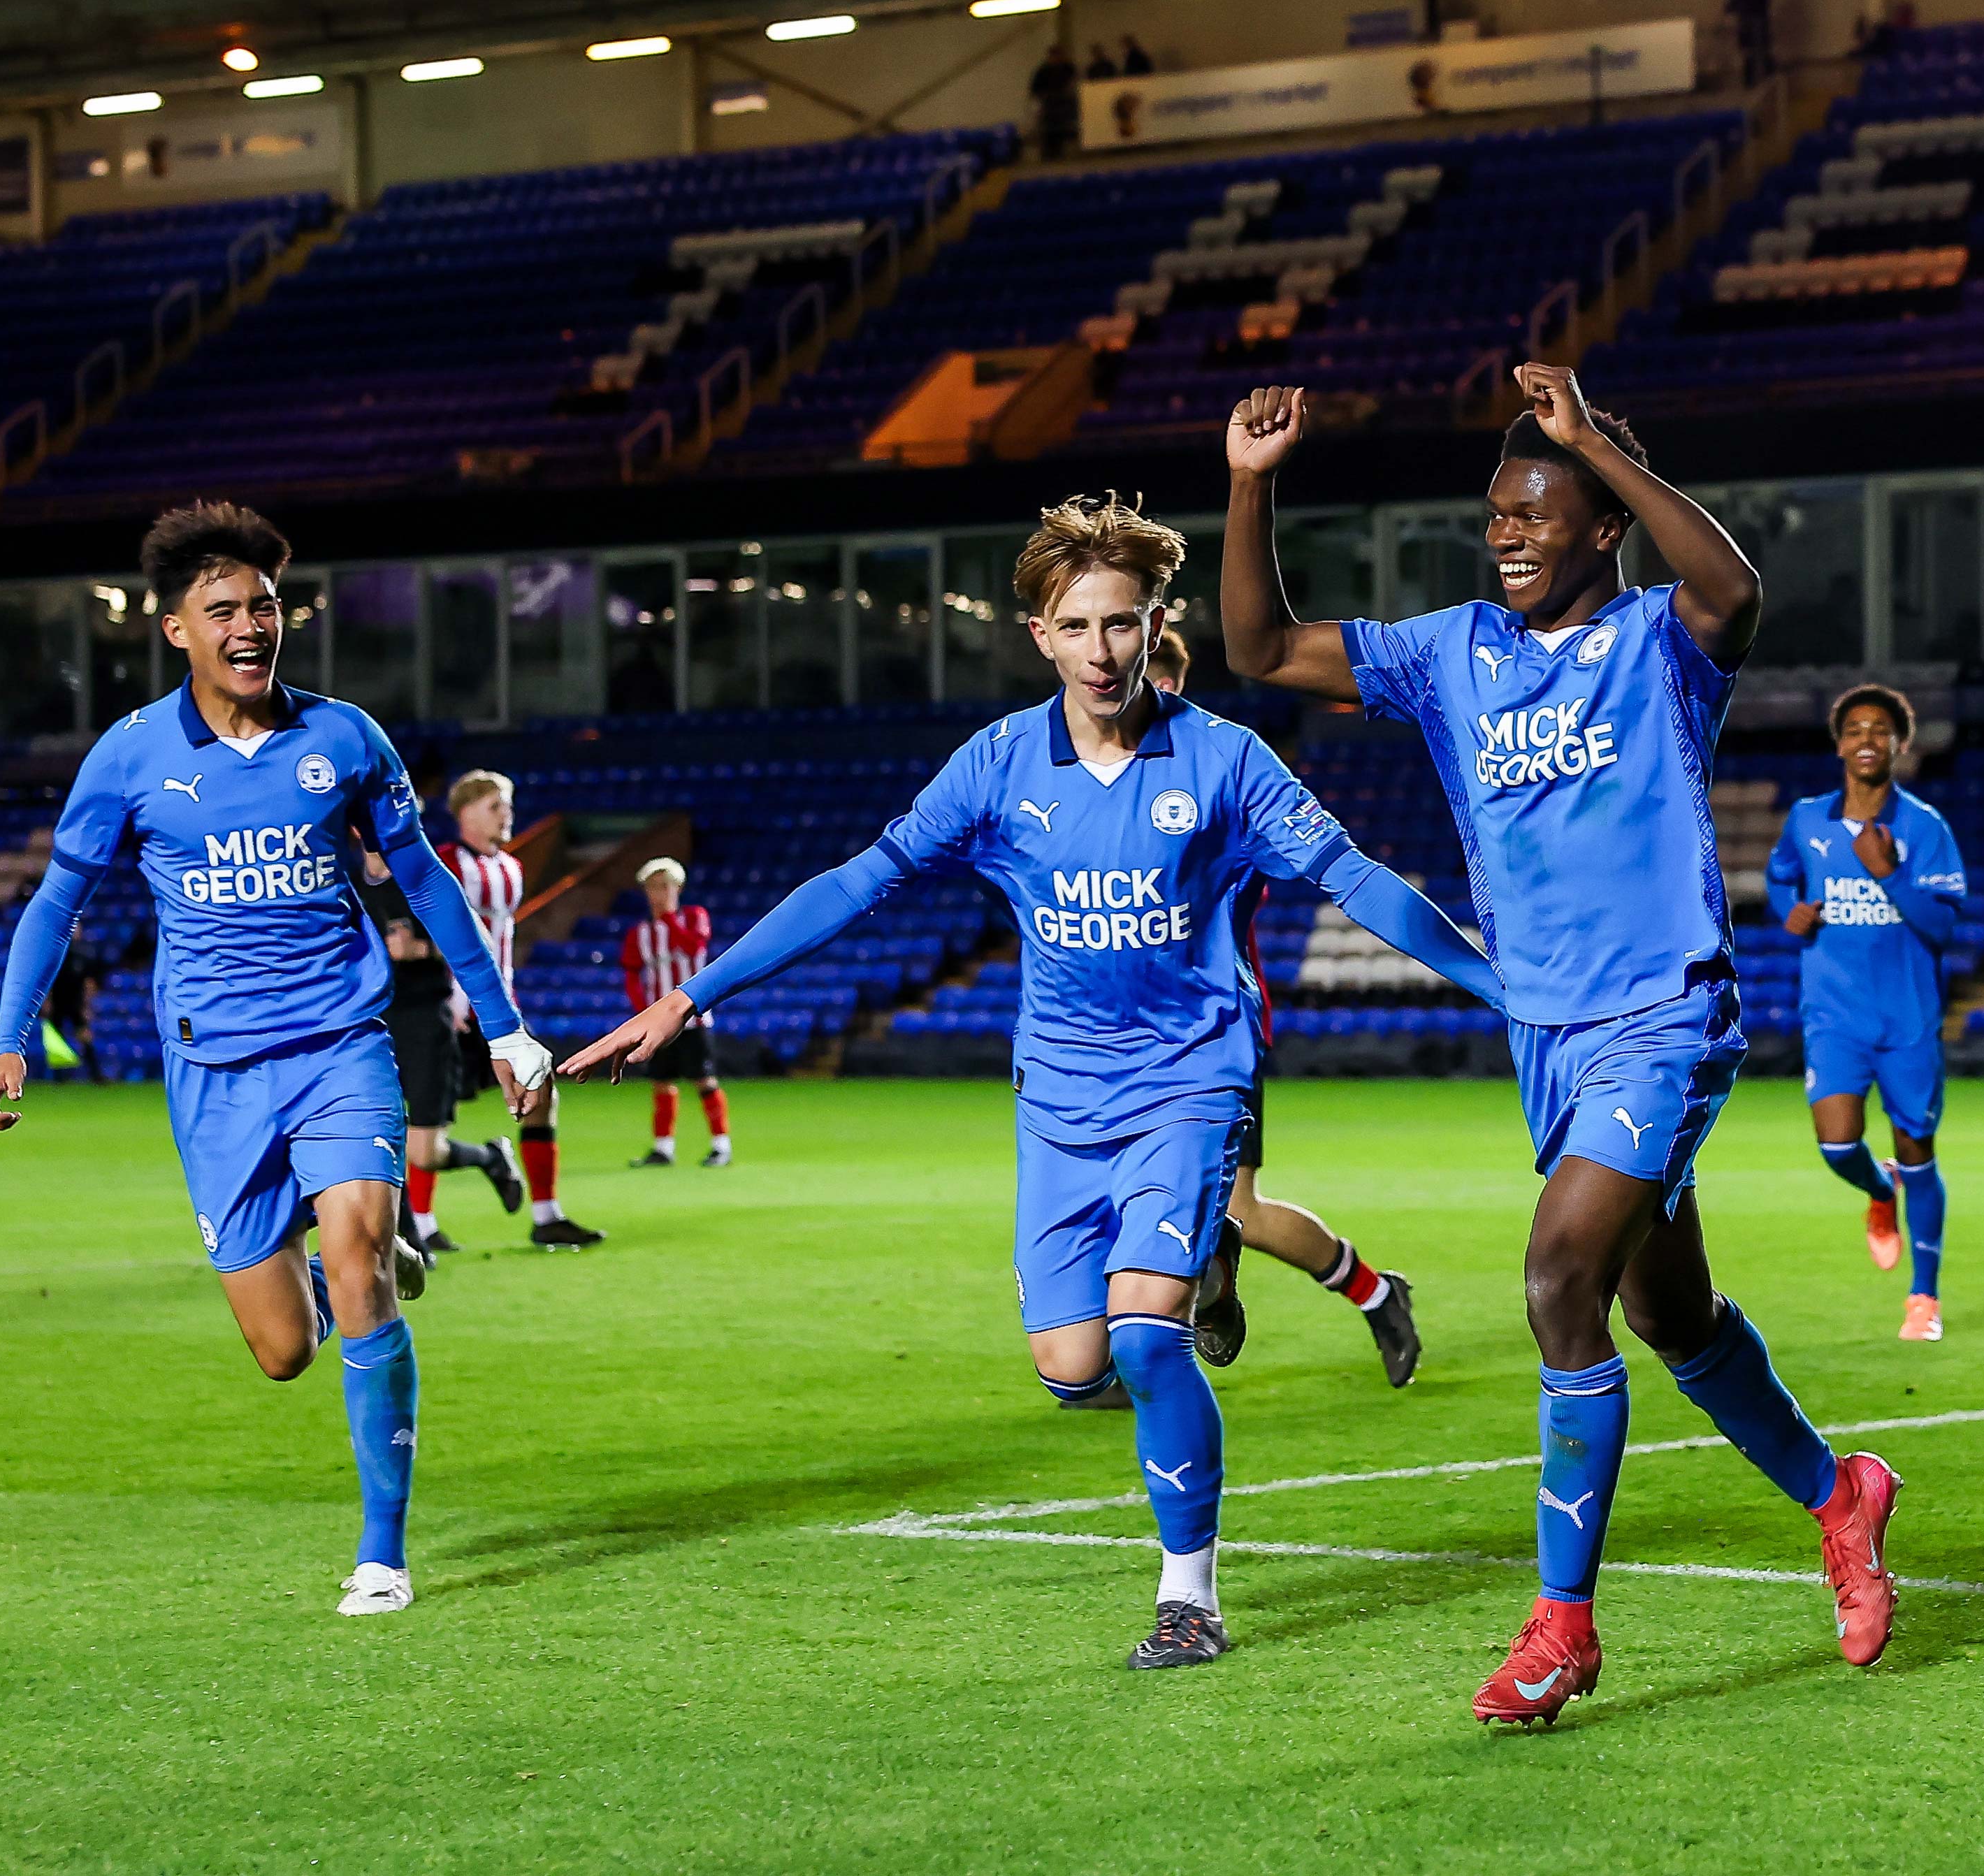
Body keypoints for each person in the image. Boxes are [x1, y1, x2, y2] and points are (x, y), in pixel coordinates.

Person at [562, 493, 1511, 1670]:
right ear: (1039, 634)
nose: (1102, 649)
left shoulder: (1223, 759)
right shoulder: (998, 764)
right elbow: (857, 882)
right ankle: (1169, 1313)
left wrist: (1502, 988)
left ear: (1153, 619)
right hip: (1058, 1099)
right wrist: (687, 996)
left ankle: (1190, 1595)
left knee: (1149, 1338)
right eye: (1077, 626)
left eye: (1122, 622)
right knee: (1072, 1368)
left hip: (1187, 1082)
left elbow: (1360, 881)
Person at [1219, 374, 1900, 1726]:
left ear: (1602, 529)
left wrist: (1591, 441)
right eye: (1496, 517)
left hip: (1665, 1017)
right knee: (1670, 1316)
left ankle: (1562, 1630)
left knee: (1555, 1279)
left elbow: (1735, 590)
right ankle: (1841, 1493)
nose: (1508, 536)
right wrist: (1249, 484)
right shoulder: (1447, 652)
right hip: (1549, 1036)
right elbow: (1258, 650)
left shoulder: (1659, 639)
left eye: (1536, 514)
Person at [0, 502, 552, 1617]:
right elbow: (58, 899)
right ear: (175, 628)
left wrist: (505, 1018)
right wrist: (10, 1041)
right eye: (223, 609)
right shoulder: (131, 754)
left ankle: (381, 1552)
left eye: (265, 606)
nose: (250, 625)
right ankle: (359, 1282)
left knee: (359, 1244)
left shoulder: (343, 736)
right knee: (284, 1348)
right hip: (214, 1074)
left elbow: (425, 878)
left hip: (341, 1044)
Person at [1144, 627, 1421, 1386]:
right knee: (1120, 1196)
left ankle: (1373, 1292)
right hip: (1120, 1036)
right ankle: (1116, 1353)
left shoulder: (1216, 773)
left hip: (1211, 1029)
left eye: (1158, 686)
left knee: (1243, 1211)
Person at [1765, 685, 1964, 1344]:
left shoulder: (1925, 828)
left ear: (1900, 743)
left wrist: (1890, 875)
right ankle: (1879, 1192)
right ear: (1839, 743)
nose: (1867, 739)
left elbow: (1940, 927)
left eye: (1881, 729)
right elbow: (1779, 876)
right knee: (1837, 1143)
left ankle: (1924, 1298)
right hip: (1835, 1014)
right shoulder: (1806, 820)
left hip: (1907, 1017)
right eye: (1854, 729)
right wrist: (1785, 910)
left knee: (1919, 1153)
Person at [442, 771, 605, 1251]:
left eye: (508, 805)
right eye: (496, 805)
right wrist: (450, 999)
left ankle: (546, 1214)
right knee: (431, 1116)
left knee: (541, 1086)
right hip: (452, 1004)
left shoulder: (509, 868)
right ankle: (423, 1225)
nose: (507, 814)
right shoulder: (448, 863)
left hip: (500, 1007)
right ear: (465, 813)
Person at [357, 862, 527, 1253]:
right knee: (377, 1137)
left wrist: (421, 949)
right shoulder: (345, 880)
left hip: (424, 1020)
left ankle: (490, 1157)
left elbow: (477, 937)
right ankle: (408, 1241)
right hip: (370, 1022)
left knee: (424, 1152)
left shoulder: (422, 877)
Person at [621, 856, 732, 1168]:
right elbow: (631, 971)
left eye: (665, 886)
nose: (660, 893)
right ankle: (663, 1148)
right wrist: (641, 1010)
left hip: (693, 1019)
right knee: (661, 1082)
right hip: (658, 1024)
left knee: (704, 1080)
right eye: (654, 887)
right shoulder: (640, 933)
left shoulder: (695, 917)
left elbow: (694, 946)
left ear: (679, 888)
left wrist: (669, 918)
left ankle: (721, 1145)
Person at [1725, 0, 1774, 87]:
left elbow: (1733, 6)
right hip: (1750, 22)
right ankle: (1757, 78)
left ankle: (1755, 79)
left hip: (1753, 21)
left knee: (1755, 52)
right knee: (1753, 52)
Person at [1028, 44, 1080, 160]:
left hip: (1063, 103)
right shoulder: (1043, 71)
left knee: (1061, 128)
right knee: (1048, 129)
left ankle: (1058, 151)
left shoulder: (1068, 68)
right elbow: (1035, 88)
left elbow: (1075, 80)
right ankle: (1048, 152)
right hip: (1049, 104)